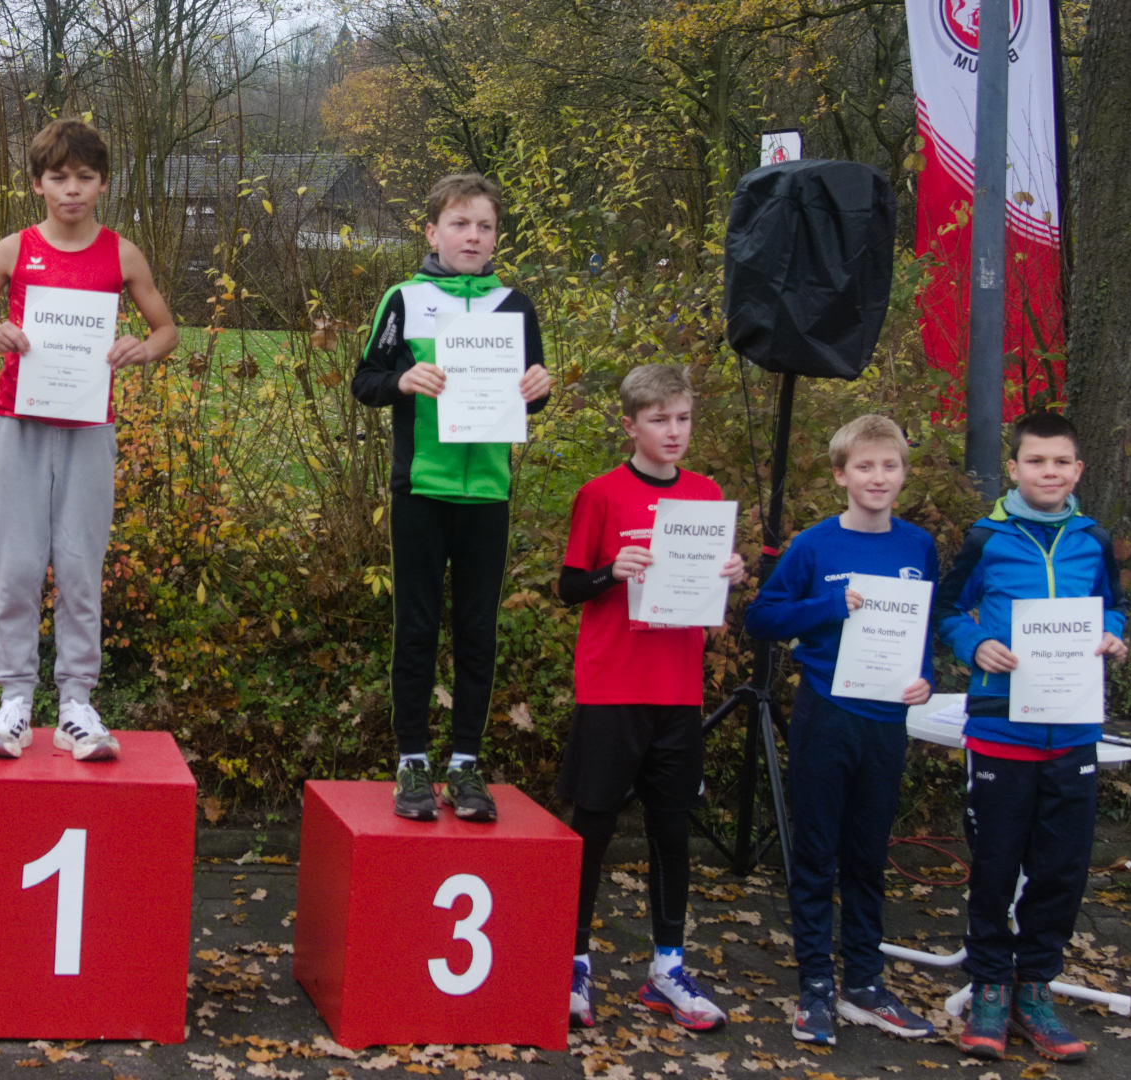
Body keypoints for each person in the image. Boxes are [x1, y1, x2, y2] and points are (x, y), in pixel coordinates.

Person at [0, 118, 177, 761]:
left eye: (84, 178)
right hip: (18, 419)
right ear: (38, 183)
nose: (71, 190)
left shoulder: (122, 254)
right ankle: (15, 702)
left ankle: (77, 704)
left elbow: (166, 331)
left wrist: (142, 347)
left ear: (101, 183)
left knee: (78, 566)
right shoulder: (14, 248)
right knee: (17, 566)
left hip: (88, 423)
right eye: (58, 178)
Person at [351, 172, 551, 824]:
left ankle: (466, 764)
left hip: (488, 492)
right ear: (432, 231)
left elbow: (532, 389)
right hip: (421, 489)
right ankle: (412, 759)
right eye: (460, 224)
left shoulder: (515, 305)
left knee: (476, 633)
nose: (473, 236)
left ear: (497, 238)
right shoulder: (404, 300)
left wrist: (538, 387)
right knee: (415, 628)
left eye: (485, 226)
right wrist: (403, 378)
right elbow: (366, 380)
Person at [933, 410, 1129, 1063]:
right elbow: (946, 608)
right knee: (995, 868)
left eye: (1061, 462)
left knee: (1060, 871)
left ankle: (1035, 991)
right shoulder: (986, 537)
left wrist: (1112, 636)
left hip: (1073, 730)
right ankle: (990, 986)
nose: (1049, 472)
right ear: (1014, 468)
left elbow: (1112, 606)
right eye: (1036, 461)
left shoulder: (1092, 539)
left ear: (1078, 470)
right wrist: (976, 642)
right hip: (1000, 730)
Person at [555, 363, 744, 1032]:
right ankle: (573, 962)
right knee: (596, 824)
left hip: (677, 691)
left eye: (683, 418)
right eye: (660, 419)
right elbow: (570, 587)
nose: (674, 431)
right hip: (612, 686)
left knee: (671, 830)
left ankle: (667, 967)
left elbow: (709, 590)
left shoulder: (706, 493)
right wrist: (613, 571)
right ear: (631, 424)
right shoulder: (601, 494)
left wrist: (730, 572)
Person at [742, 414, 939, 1045]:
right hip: (826, 715)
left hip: (887, 720)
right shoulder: (814, 546)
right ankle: (815, 988)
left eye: (890, 466)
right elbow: (762, 617)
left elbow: (924, 633)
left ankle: (864, 984)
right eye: (865, 466)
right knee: (816, 853)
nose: (878, 477)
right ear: (840, 475)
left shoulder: (918, 547)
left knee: (867, 855)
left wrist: (926, 680)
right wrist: (830, 605)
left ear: (903, 473)